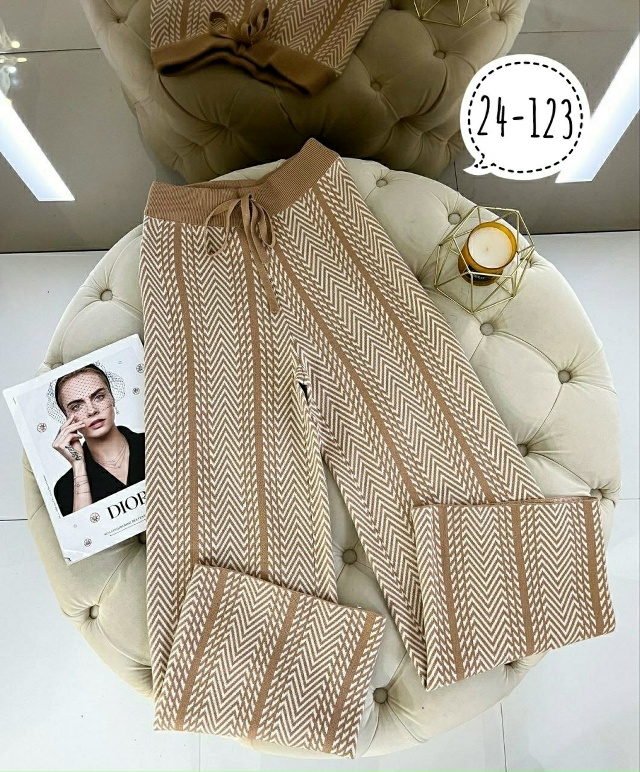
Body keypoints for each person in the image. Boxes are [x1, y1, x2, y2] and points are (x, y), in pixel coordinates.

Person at [51, 363, 145, 517]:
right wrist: (78, 464)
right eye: (76, 407)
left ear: (112, 398)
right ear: (67, 419)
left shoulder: (157, 442)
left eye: (99, 397)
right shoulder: (65, 488)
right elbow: (84, 530)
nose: (91, 410)